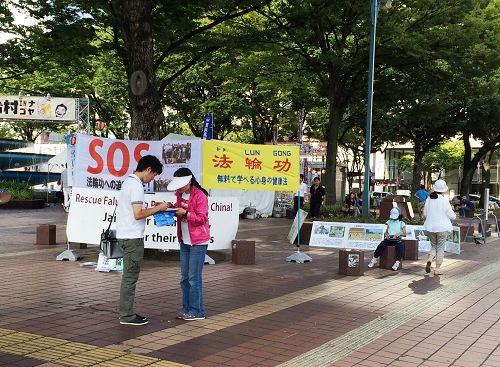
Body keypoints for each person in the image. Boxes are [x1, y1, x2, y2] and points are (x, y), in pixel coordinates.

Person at [116, 155, 170, 326]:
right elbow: (138, 214)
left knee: (129, 276)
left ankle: (126, 313)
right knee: (130, 277)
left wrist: (153, 209)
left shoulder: (128, 182)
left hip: (125, 235)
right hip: (132, 238)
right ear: (147, 169)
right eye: (153, 175)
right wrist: (158, 208)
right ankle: (126, 315)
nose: (152, 178)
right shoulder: (136, 186)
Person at [168, 167, 210, 321]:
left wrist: (185, 213)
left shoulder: (200, 195)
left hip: (198, 241)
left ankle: (197, 311)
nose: (179, 186)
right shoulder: (179, 194)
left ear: (189, 180)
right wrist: (170, 209)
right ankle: (187, 309)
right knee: (184, 278)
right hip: (185, 240)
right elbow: (180, 212)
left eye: (181, 183)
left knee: (193, 278)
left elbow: (202, 218)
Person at [423, 179, 456, 276]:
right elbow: (452, 215)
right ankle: (437, 269)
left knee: (434, 246)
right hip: (442, 228)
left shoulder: (429, 199)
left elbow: (425, 214)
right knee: (440, 248)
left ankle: (429, 259)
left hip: (430, 227)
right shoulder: (444, 200)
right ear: (444, 189)